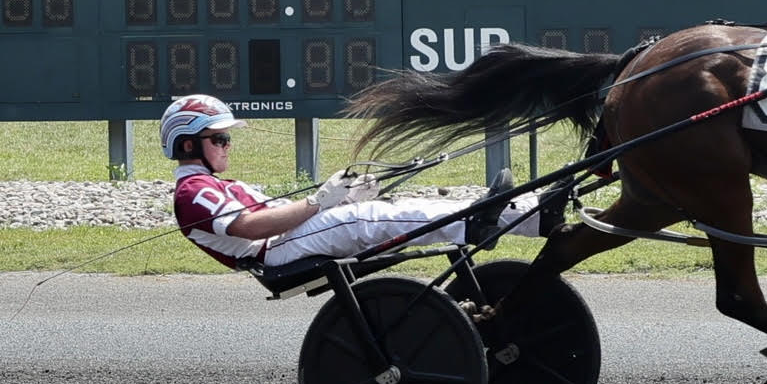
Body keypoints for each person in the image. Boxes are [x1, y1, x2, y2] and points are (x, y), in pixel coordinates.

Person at [161, 94, 555, 274]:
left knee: (389, 209)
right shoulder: (192, 193)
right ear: (189, 144)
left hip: (286, 240)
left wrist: (340, 197)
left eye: (227, 138)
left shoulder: (212, 185)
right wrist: (320, 202)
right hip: (272, 254)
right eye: (220, 139)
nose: (228, 146)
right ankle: (479, 223)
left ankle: (534, 216)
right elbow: (248, 227)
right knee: (367, 219)